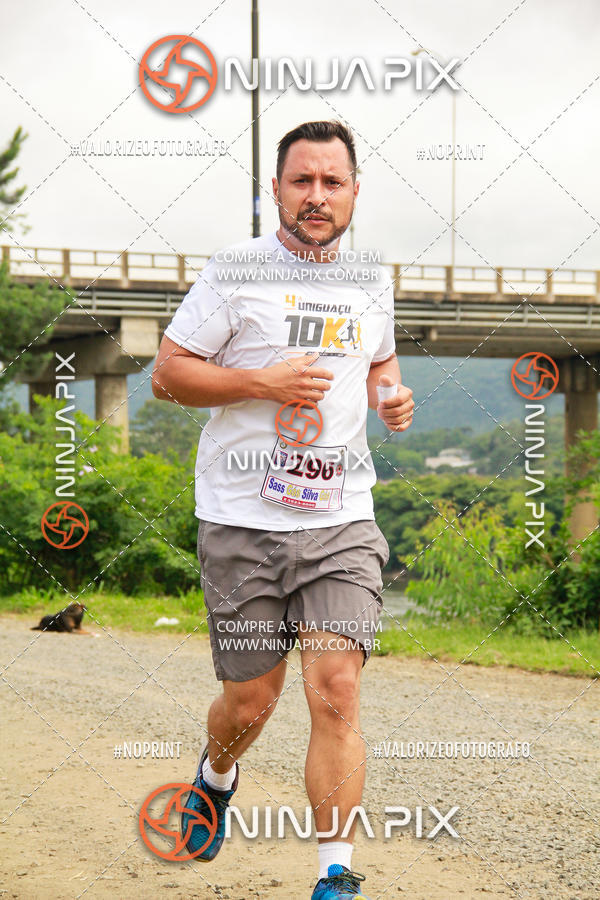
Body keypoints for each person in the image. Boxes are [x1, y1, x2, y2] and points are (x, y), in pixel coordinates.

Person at [152, 120, 414, 899]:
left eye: (333, 182)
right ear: (276, 190)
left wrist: (390, 396)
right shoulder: (236, 272)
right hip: (241, 517)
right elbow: (168, 373)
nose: (317, 196)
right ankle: (217, 773)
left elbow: (380, 360)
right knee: (251, 699)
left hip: (339, 517)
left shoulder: (370, 277)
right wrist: (261, 383)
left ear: (355, 192)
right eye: (302, 181)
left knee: (335, 689)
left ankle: (336, 875)